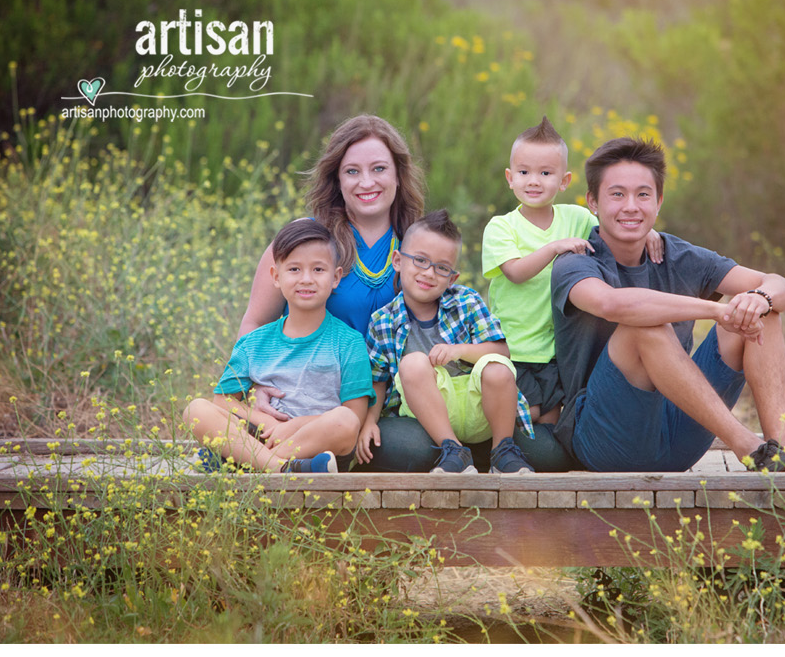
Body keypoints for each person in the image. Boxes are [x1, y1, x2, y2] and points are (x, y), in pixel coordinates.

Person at [549, 136, 785, 473]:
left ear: (659, 201)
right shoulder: (576, 261)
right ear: (592, 202)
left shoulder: (676, 254)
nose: (630, 206)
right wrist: (715, 310)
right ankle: (752, 450)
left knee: (762, 309)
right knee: (644, 327)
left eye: (643, 194)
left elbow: (780, 285)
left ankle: (784, 449)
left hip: (679, 436)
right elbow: (612, 304)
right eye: (617, 194)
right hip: (606, 440)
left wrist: (759, 299)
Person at [483, 114, 663, 448]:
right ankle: (496, 451)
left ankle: (535, 463)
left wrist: (647, 229)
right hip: (514, 348)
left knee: (549, 425)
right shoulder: (501, 227)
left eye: (545, 173)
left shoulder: (576, 218)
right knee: (526, 413)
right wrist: (554, 248)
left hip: (556, 351)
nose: (533, 181)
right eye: (524, 172)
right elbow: (515, 272)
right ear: (510, 178)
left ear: (564, 181)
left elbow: (614, 224)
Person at [184, 217, 372, 473]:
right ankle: (281, 468)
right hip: (264, 436)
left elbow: (356, 416)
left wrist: (293, 427)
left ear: (336, 277)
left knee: (345, 421)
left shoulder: (348, 342)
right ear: (276, 276)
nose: (306, 279)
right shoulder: (255, 342)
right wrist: (262, 420)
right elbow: (223, 400)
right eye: (294, 269)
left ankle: (251, 463)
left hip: (320, 447)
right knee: (195, 409)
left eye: (318, 270)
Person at [359, 209, 535, 474]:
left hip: (478, 405)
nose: (429, 273)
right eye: (420, 260)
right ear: (397, 260)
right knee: (412, 364)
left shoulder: (466, 301)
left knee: (496, 367)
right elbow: (379, 379)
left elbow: (502, 350)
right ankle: (454, 450)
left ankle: (502, 450)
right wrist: (369, 421)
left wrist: (457, 351)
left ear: (452, 277)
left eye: (441, 268)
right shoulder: (383, 321)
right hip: (429, 411)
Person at [236, 114, 422, 346]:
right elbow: (254, 324)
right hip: (307, 380)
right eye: (352, 171)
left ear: (398, 175)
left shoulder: (420, 243)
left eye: (379, 169)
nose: (366, 182)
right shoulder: (302, 238)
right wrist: (258, 382)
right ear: (337, 180)